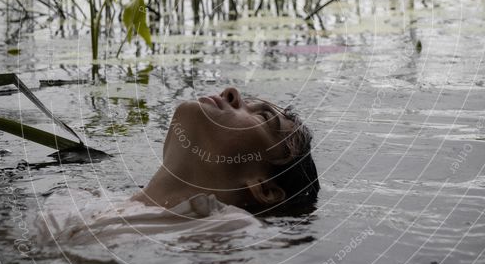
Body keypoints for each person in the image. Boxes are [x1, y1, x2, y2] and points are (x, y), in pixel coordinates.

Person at [35, 87, 319, 247]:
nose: (232, 93)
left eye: (264, 118)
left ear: (264, 189)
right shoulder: (73, 200)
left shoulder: (231, 227)